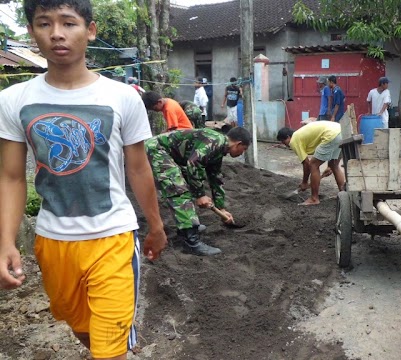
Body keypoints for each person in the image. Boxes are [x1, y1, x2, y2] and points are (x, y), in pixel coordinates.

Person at [0, 2, 168, 360]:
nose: (57, 33)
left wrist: (155, 225)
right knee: (80, 327)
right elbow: (12, 177)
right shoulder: (14, 100)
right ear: (32, 32)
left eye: (68, 23)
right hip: (52, 242)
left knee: (108, 350)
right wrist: (6, 242)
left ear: (89, 30)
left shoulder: (122, 97)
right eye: (45, 23)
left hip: (113, 238)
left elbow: (139, 169)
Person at [145, 127, 251, 256]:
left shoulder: (219, 149)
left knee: (187, 183)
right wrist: (200, 195)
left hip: (170, 154)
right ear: (238, 143)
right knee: (178, 189)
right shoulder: (215, 142)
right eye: (244, 149)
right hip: (156, 150)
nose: (242, 153)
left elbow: (215, 178)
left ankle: (187, 225)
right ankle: (191, 241)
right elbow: (193, 163)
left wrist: (221, 207)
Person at [277, 122, 345, 206]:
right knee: (334, 166)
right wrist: (328, 167)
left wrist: (304, 182)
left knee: (313, 165)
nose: (285, 145)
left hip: (331, 135)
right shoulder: (300, 134)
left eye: (284, 142)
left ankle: (314, 198)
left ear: (288, 137)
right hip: (342, 132)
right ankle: (343, 195)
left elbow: (306, 164)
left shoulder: (294, 140)